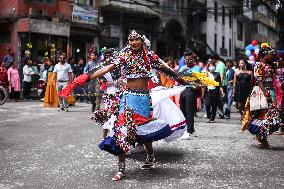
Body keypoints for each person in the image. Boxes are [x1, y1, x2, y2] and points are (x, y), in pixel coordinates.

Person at [58, 30, 188, 181]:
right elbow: (105, 68)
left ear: (141, 40)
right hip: (128, 98)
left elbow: (166, 69)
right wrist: (79, 80)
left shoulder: (150, 56)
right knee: (122, 130)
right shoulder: (124, 56)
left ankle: (150, 154)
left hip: (143, 99)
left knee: (143, 132)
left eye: (136, 39)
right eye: (130, 40)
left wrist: (181, 79)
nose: (133, 42)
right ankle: (121, 168)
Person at [179, 50, 201, 140]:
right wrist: (182, 72)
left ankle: (189, 131)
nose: (189, 61)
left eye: (190, 59)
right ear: (184, 60)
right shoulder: (182, 68)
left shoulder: (197, 68)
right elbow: (177, 78)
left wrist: (186, 74)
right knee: (183, 111)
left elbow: (197, 80)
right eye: (187, 59)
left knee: (189, 111)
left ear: (193, 59)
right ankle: (187, 129)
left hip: (192, 90)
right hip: (183, 90)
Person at [211, 54, 226, 119]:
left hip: (221, 85)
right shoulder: (217, 64)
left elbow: (221, 75)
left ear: (214, 59)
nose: (211, 61)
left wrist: (220, 86)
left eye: (212, 59)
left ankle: (222, 114)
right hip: (217, 85)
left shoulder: (221, 64)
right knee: (218, 101)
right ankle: (221, 114)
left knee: (220, 101)